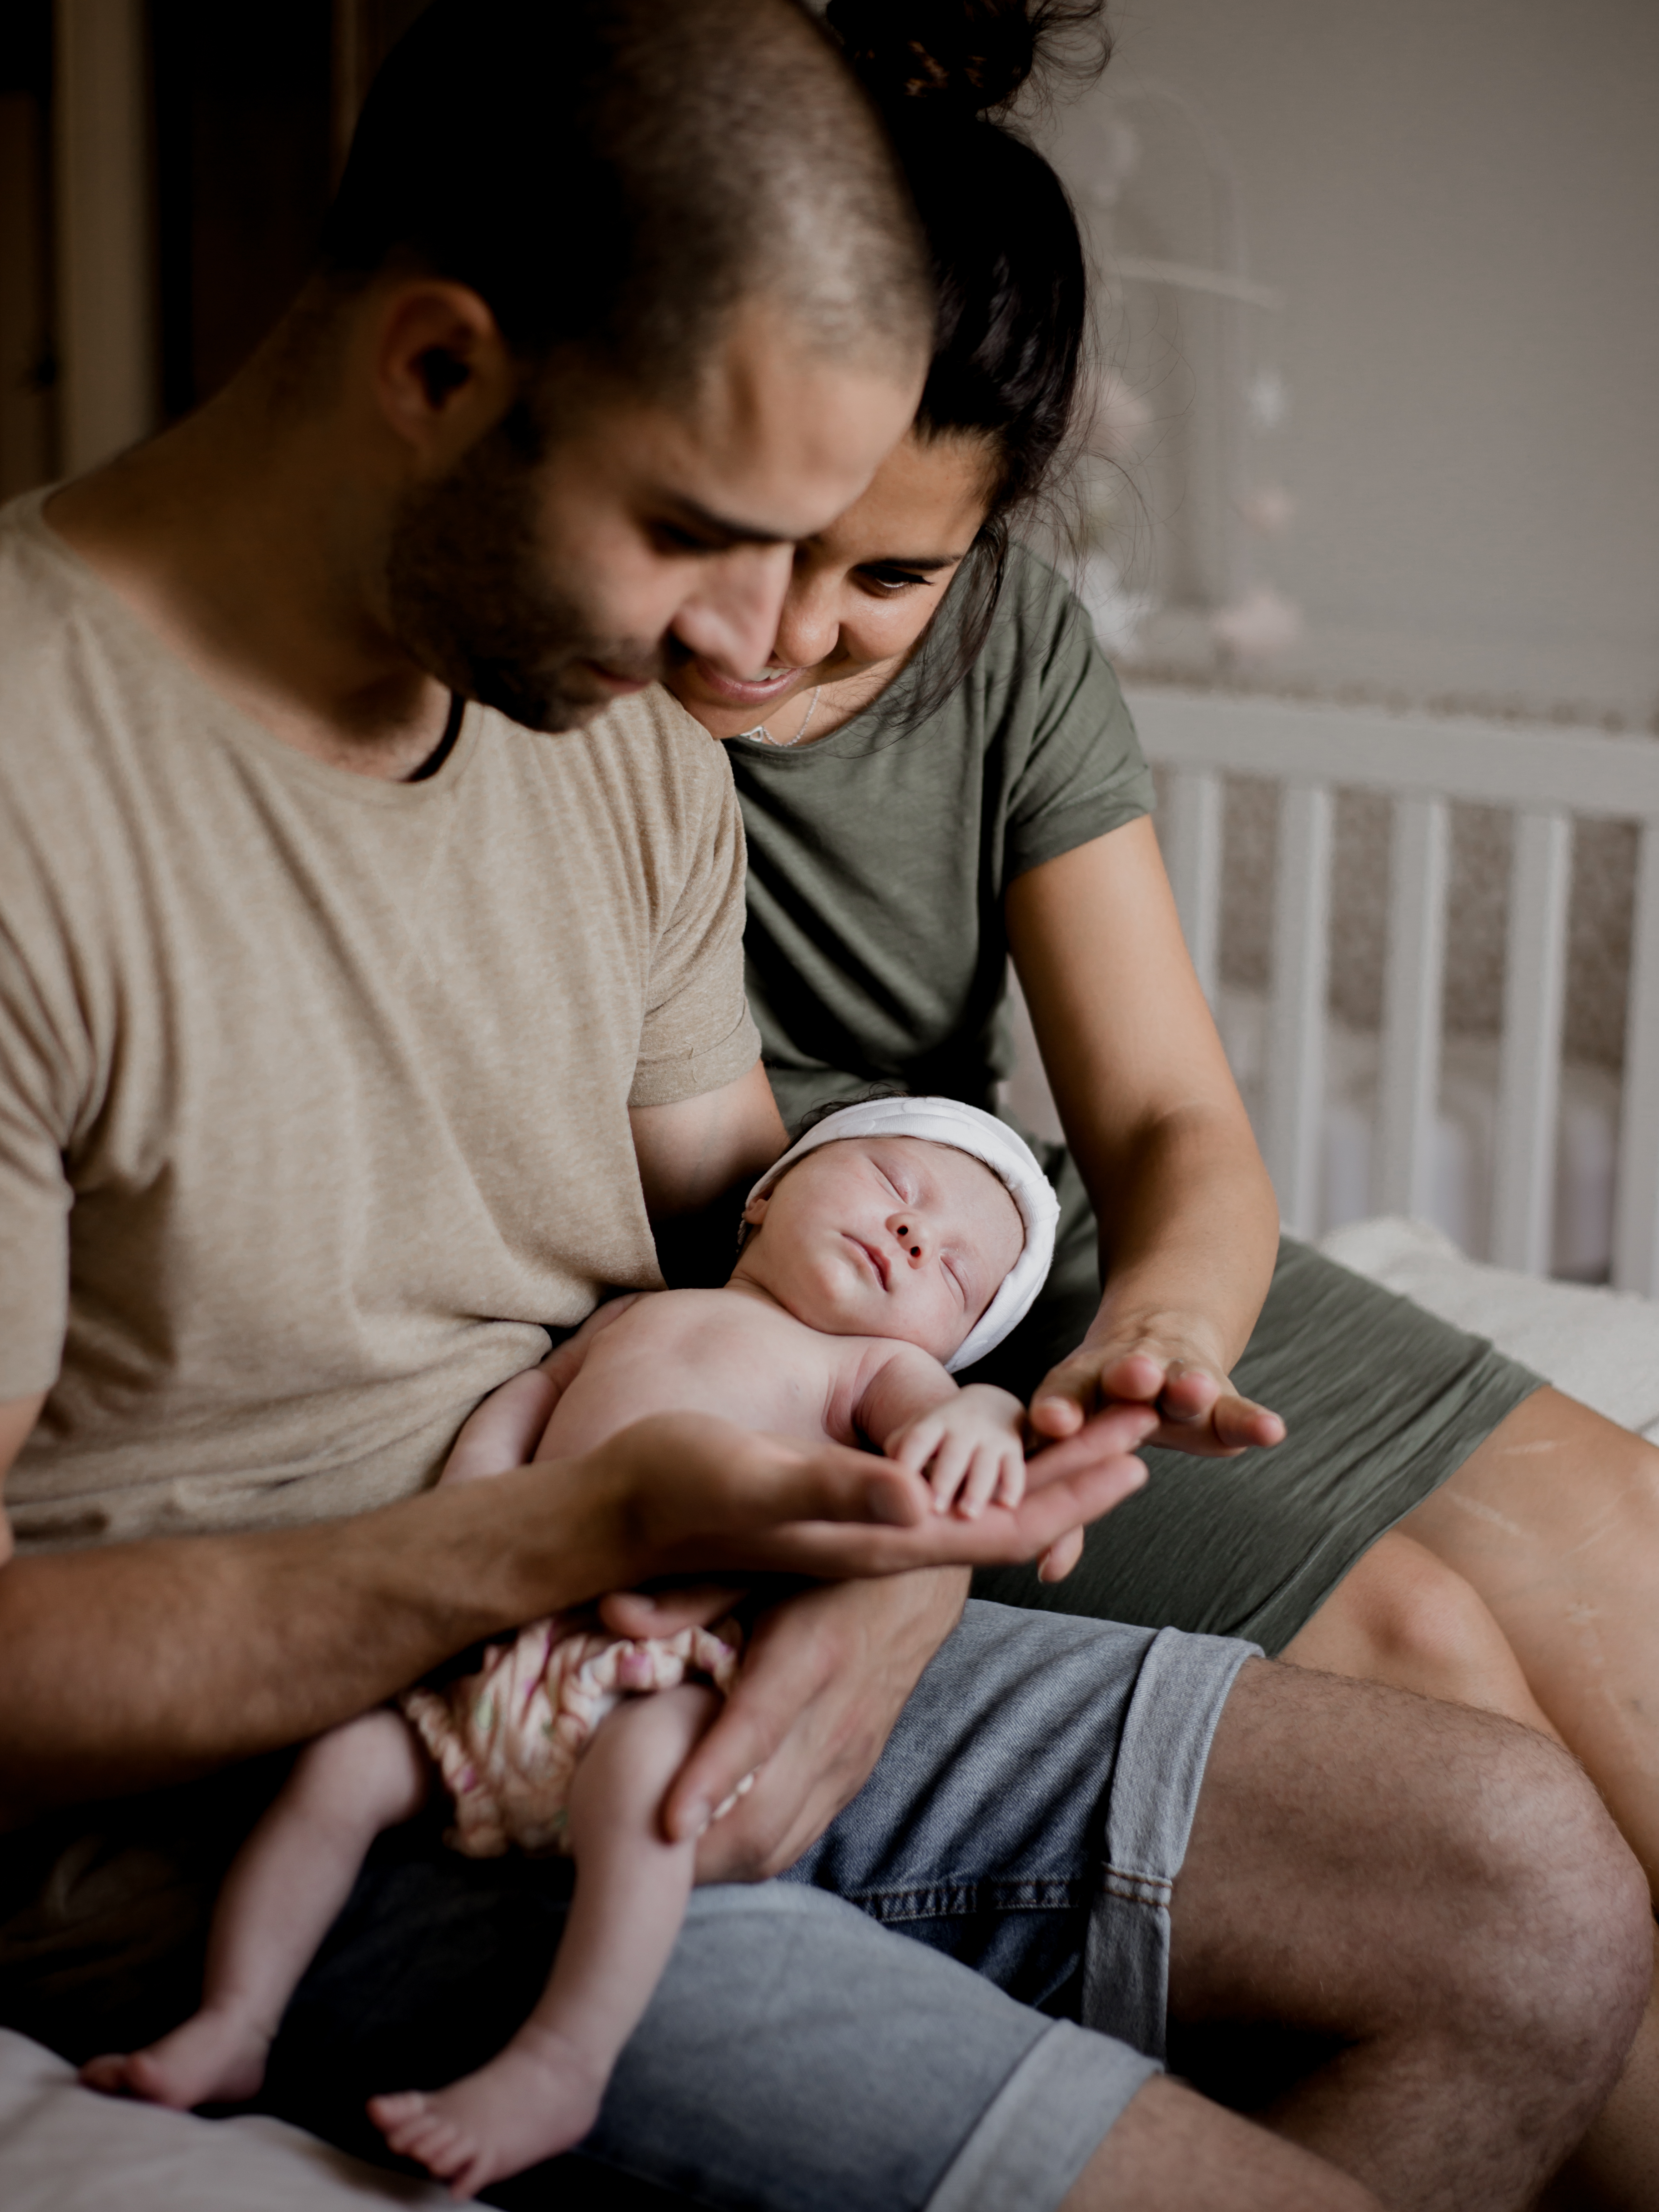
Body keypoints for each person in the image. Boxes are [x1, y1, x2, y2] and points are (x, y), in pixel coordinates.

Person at [0, 4, 1649, 2209]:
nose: (751, 647)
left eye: (829, 558)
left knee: (1536, 1894)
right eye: (699, 533)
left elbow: (734, 1226)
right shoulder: (40, 783)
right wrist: (587, 1538)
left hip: (659, 1618)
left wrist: (895, 1533)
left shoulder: (611, 731)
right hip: (269, 1807)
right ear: (435, 371)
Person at [664, 2, 1659, 2199]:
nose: (782, 634)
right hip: (825, 1316)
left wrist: (1169, 1329)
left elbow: (1174, 1132)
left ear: (989, 537)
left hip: (1024, 1245)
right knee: (1432, 1660)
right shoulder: (596, 650)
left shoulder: (1008, 643)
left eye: (885, 581)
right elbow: (713, 1193)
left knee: (1624, 1539)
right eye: (760, 541)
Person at [80, 1101, 1061, 2197]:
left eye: (961, 1275)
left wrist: (979, 1421)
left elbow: (956, 1412)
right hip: (511, 1649)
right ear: (767, 1194)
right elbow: (524, 1402)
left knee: (645, 1783)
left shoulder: (866, 1368)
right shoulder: (637, 1312)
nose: (916, 1233)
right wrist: (469, 1525)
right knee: (343, 1765)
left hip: (668, 1663)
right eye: (894, 1180)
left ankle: (563, 2059)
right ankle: (235, 2016)